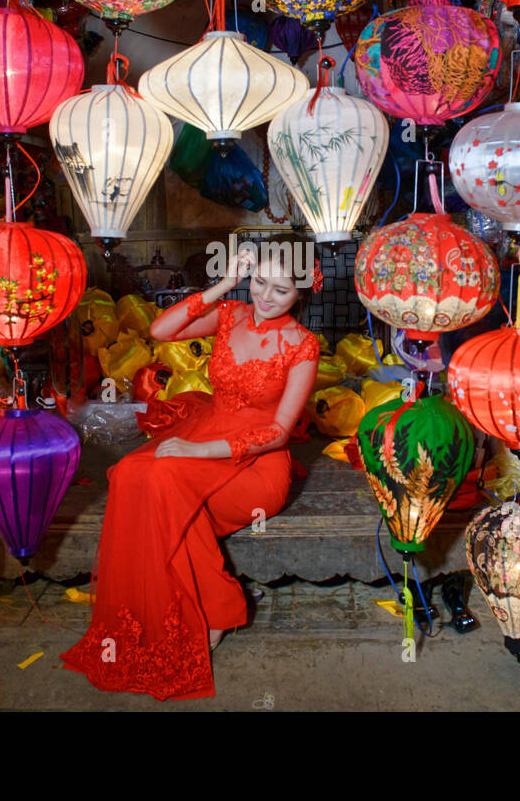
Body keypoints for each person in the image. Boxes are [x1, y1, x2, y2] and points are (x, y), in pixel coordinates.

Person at [61, 244, 321, 700]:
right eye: (259, 281)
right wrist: (224, 284)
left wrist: (196, 453)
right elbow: (161, 330)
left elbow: (279, 432)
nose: (265, 296)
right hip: (207, 426)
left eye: (281, 290)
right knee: (128, 474)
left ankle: (221, 609)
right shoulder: (231, 313)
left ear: (300, 293)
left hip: (256, 460)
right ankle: (175, 611)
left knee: (163, 482)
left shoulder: (303, 345)